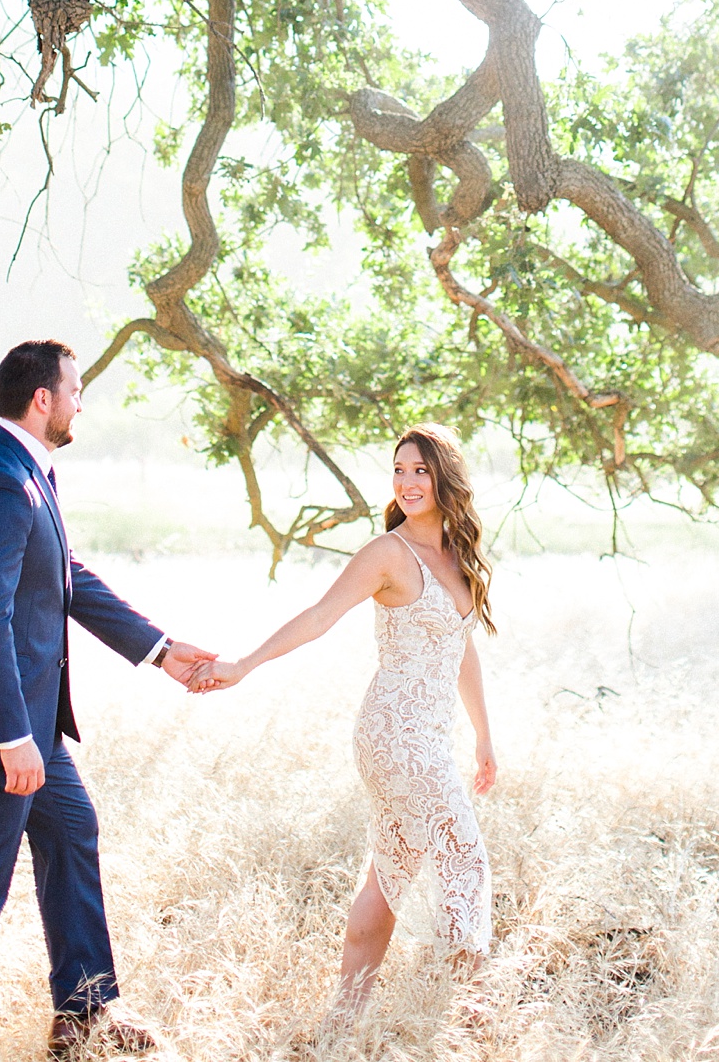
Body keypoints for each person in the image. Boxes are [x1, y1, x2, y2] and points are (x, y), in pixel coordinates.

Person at [0, 339, 217, 1058]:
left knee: (72, 832)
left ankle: (84, 1012)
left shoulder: (24, 471)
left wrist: (161, 651)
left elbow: (65, 576)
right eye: (75, 390)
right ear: (42, 399)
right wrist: (12, 735)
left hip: (28, 722)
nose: (83, 402)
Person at [192, 423, 496, 1020]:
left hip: (429, 737)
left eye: (421, 470)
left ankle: (343, 1019)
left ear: (446, 478)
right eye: (400, 470)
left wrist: (484, 733)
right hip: (394, 734)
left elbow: (461, 647)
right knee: (465, 858)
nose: (407, 482)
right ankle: (469, 1016)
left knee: (392, 866)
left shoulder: (456, 555)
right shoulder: (389, 553)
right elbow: (319, 615)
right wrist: (245, 664)